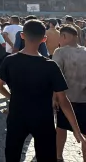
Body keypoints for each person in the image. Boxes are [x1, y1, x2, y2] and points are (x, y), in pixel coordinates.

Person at [0, 20, 86, 162]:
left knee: (12, 154)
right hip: (43, 120)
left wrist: (11, 96)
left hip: (16, 116)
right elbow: (63, 100)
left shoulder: (10, 61)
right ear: (44, 39)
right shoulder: (50, 66)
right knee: (46, 156)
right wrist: (76, 129)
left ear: (22, 36)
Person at [53, 25, 86, 162]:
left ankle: (58, 156)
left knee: (61, 129)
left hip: (66, 100)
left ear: (65, 36)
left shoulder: (59, 52)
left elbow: (54, 77)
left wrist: (54, 98)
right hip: (84, 100)